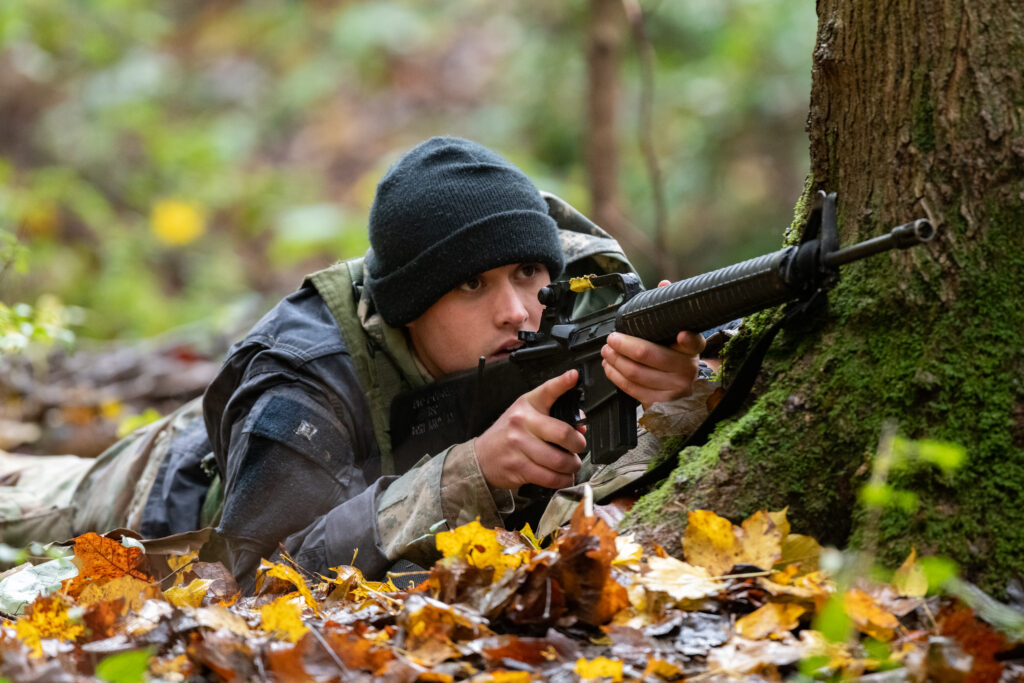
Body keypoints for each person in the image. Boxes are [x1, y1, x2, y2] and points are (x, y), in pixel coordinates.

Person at [0, 137, 706, 590]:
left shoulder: (570, 299)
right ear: (408, 305)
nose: (517, 311)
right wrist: (471, 472)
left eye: (526, 272)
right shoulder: (304, 378)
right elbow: (251, 576)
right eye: (472, 284)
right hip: (150, 489)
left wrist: (679, 390)